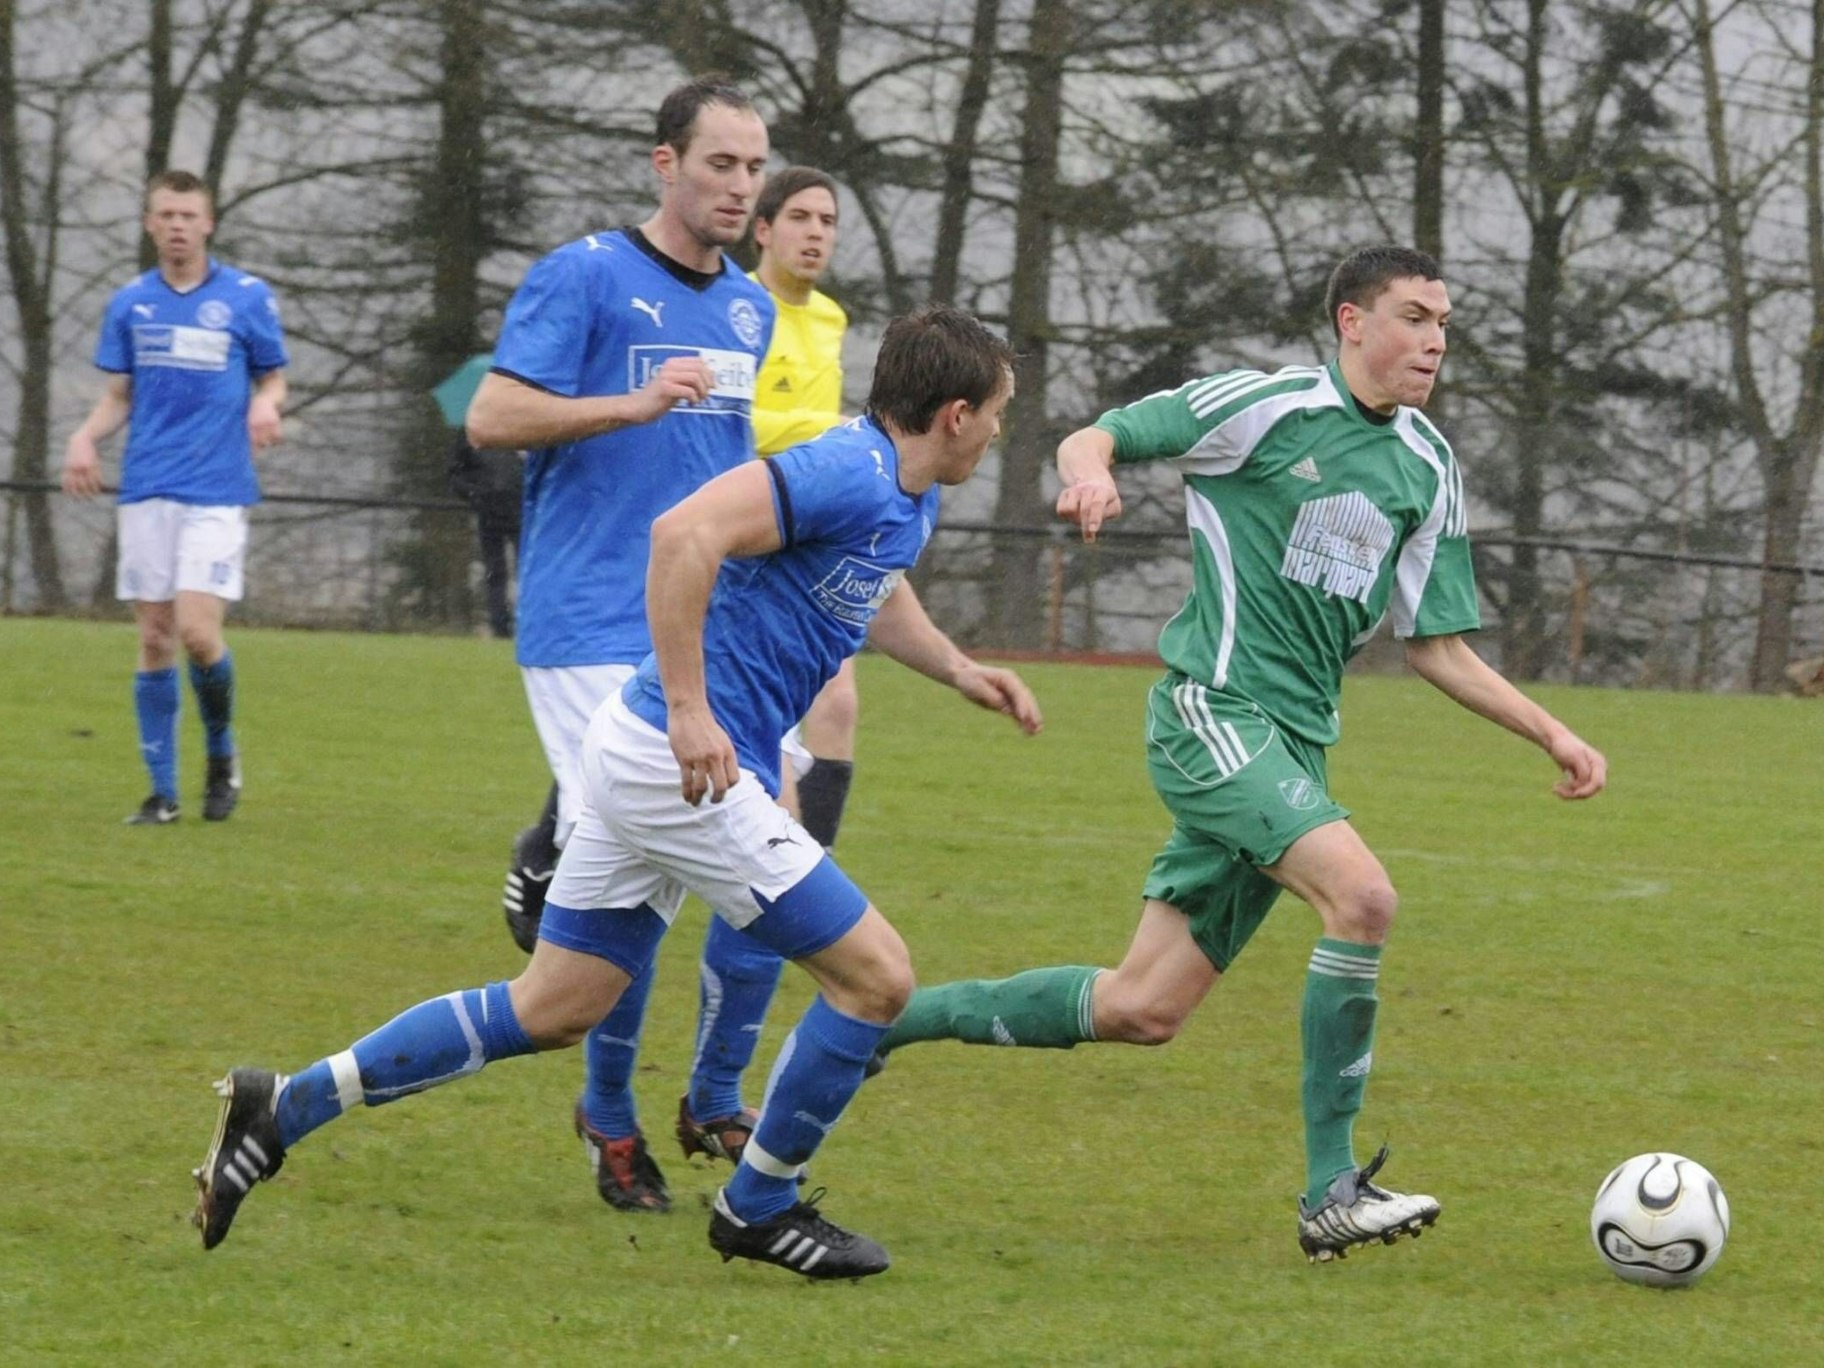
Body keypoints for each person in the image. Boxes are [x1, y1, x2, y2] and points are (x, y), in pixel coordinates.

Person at [190, 304, 1038, 1280]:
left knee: (555, 1004)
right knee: (878, 978)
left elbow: (871, 589)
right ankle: (757, 1207)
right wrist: (690, 708)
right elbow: (684, 532)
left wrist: (963, 672)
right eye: (1002, 411)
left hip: (646, 756)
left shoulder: (903, 494)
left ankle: (279, 1106)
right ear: (958, 413)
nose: (1004, 430)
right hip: (680, 766)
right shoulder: (845, 468)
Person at [869, 247, 1609, 1264]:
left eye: (1443, 320)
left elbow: (1435, 644)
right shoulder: (1269, 408)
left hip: (1293, 749)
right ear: (1352, 321)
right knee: (1364, 898)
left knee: (1142, 1007)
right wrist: (1088, 482)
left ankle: (886, 1024)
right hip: (1212, 716)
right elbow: (1102, 434)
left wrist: (1553, 730)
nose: (1434, 339)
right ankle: (1330, 1192)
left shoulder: (1427, 464)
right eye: (1412, 316)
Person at [472, 73, 789, 1217]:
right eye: (720, 164)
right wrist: (629, 404)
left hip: (703, 632)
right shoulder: (586, 275)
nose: (740, 187)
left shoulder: (751, 307)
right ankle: (619, 1119)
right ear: (665, 165)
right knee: (661, 876)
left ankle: (678, 1097)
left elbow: (726, 480)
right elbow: (494, 416)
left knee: (719, 855)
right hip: (586, 623)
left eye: (754, 167)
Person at [61, 169, 288, 825]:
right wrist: (83, 439)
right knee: (155, 637)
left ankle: (221, 752)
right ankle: (162, 796)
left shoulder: (246, 297)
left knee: (195, 631)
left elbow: (274, 380)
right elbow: (118, 397)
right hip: (147, 486)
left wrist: (266, 408)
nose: (179, 225)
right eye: (167, 214)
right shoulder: (131, 303)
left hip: (216, 489)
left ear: (208, 222)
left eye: (189, 214)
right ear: (150, 224)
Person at [747, 166, 859, 845]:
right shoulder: (736, 308)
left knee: (838, 703)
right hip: (741, 532)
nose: (815, 232)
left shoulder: (831, 319)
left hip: (812, 533)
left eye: (827, 220)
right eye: (799, 217)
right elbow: (729, 424)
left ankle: (808, 872)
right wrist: (826, 434)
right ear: (762, 230)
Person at [447, 430, 523, 639]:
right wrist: (477, 495)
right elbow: (455, 474)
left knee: (526, 572)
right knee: (495, 572)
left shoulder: (523, 425)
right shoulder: (472, 431)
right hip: (489, 514)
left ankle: (527, 624)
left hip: (523, 513)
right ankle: (500, 628)